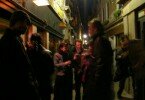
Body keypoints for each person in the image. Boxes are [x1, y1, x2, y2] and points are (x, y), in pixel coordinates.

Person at [0, 10, 40, 100]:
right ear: (17, 22)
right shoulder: (9, 41)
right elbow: (13, 71)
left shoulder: (16, 39)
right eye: (25, 23)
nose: (26, 27)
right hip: (17, 92)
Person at [83, 18, 113, 100]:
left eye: (90, 28)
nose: (88, 30)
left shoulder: (100, 40)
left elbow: (101, 63)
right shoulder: (98, 40)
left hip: (99, 84)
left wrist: (95, 83)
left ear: (95, 29)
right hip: (99, 82)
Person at [26, 33, 54, 100]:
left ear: (31, 41)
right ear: (41, 41)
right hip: (45, 84)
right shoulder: (48, 53)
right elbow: (51, 70)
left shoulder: (28, 53)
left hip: (33, 84)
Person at [114, 35, 134, 99]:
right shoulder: (120, 50)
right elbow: (117, 57)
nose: (126, 45)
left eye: (127, 43)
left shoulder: (129, 49)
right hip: (122, 70)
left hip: (130, 69)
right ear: (121, 42)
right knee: (121, 84)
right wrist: (122, 56)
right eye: (124, 43)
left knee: (133, 83)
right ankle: (119, 95)